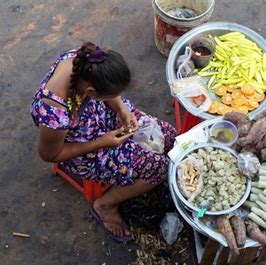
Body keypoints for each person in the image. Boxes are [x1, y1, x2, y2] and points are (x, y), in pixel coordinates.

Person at [30, 42, 177, 242]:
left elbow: (109, 93)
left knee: (171, 137)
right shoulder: (54, 110)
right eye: (110, 95)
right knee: (160, 168)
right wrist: (101, 142)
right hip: (82, 147)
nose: (117, 97)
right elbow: (49, 155)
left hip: (97, 117)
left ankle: (137, 173)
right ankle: (105, 205)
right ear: (91, 93)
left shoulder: (90, 59)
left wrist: (121, 109)